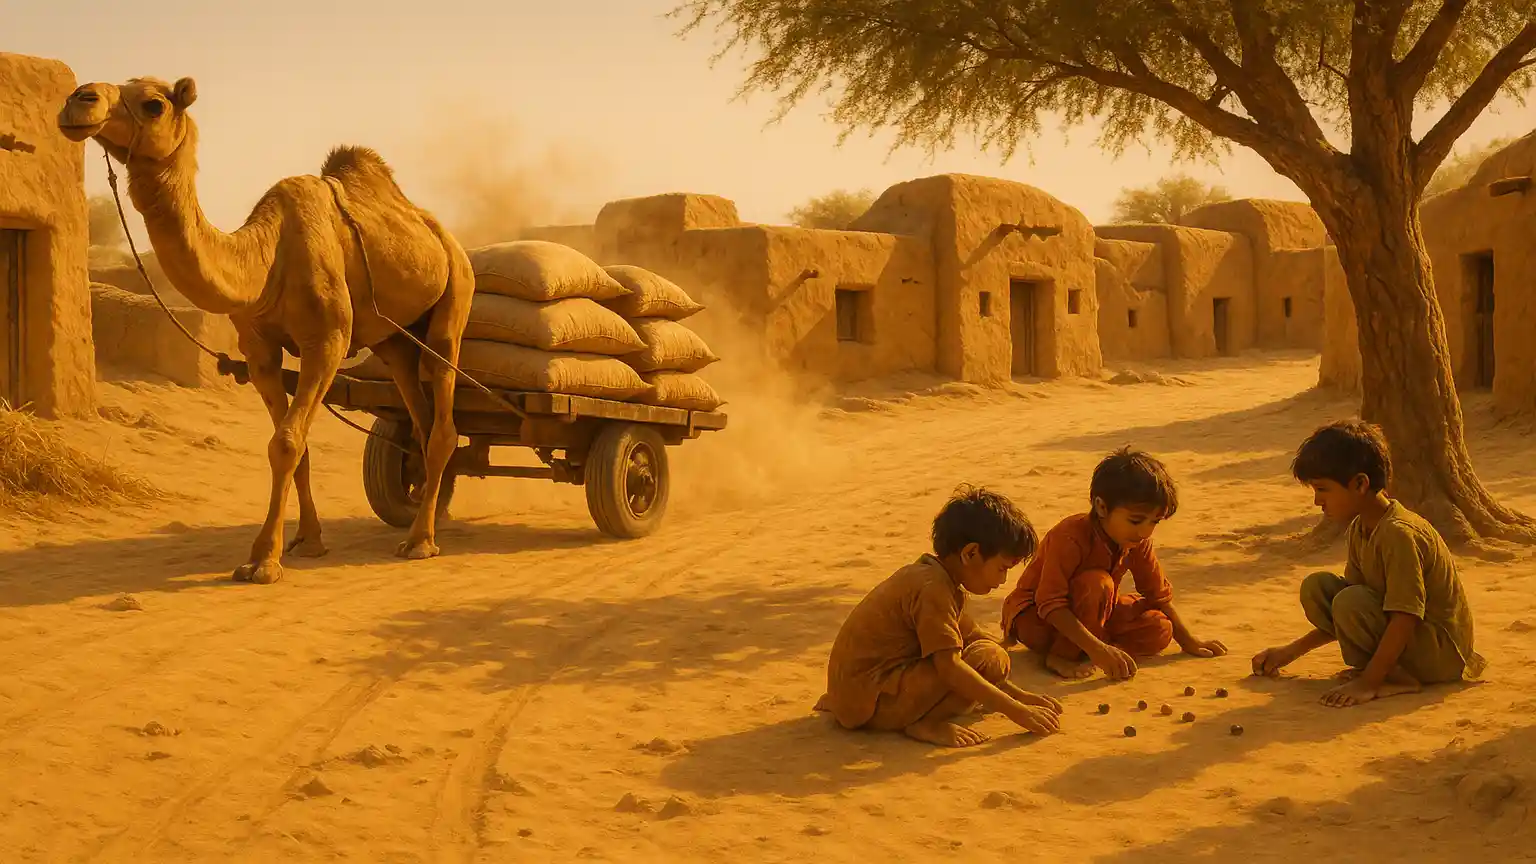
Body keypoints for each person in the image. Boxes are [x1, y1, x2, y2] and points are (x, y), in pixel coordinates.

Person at [1252, 420, 1486, 707]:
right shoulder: (1361, 529)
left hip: (1441, 656)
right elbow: (1348, 614)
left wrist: (1368, 682)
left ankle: (1397, 678)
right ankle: (1386, 669)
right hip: (1411, 640)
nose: (1317, 502)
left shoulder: (1400, 533)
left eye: (1323, 490)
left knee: (1350, 599)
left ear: (1360, 484)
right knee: (1319, 588)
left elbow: (1405, 615)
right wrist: (1288, 652)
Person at [816, 485, 1064, 747]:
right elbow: (950, 667)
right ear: (971, 553)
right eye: (1002, 569)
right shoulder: (933, 588)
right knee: (990, 658)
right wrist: (1017, 712)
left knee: (985, 649)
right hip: (872, 706)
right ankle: (927, 722)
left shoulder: (936, 578)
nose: (1003, 580)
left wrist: (1020, 696)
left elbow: (970, 637)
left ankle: (919, 714)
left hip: (854, 698)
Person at [999, 447, 1227, 680]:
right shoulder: (1070, 536)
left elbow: (1157, 594)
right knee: (1097, 583)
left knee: (1159, 627)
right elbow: (1050, 602)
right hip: (1037, 619)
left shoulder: (1137, 540)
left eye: (1154, 522)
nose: (1145, 531)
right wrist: (1097, 649)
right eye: (1136, 520)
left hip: (1093, 614)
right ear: (1101, 507)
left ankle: (1092, 647)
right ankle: (1063, 656)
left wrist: (1188, 641)